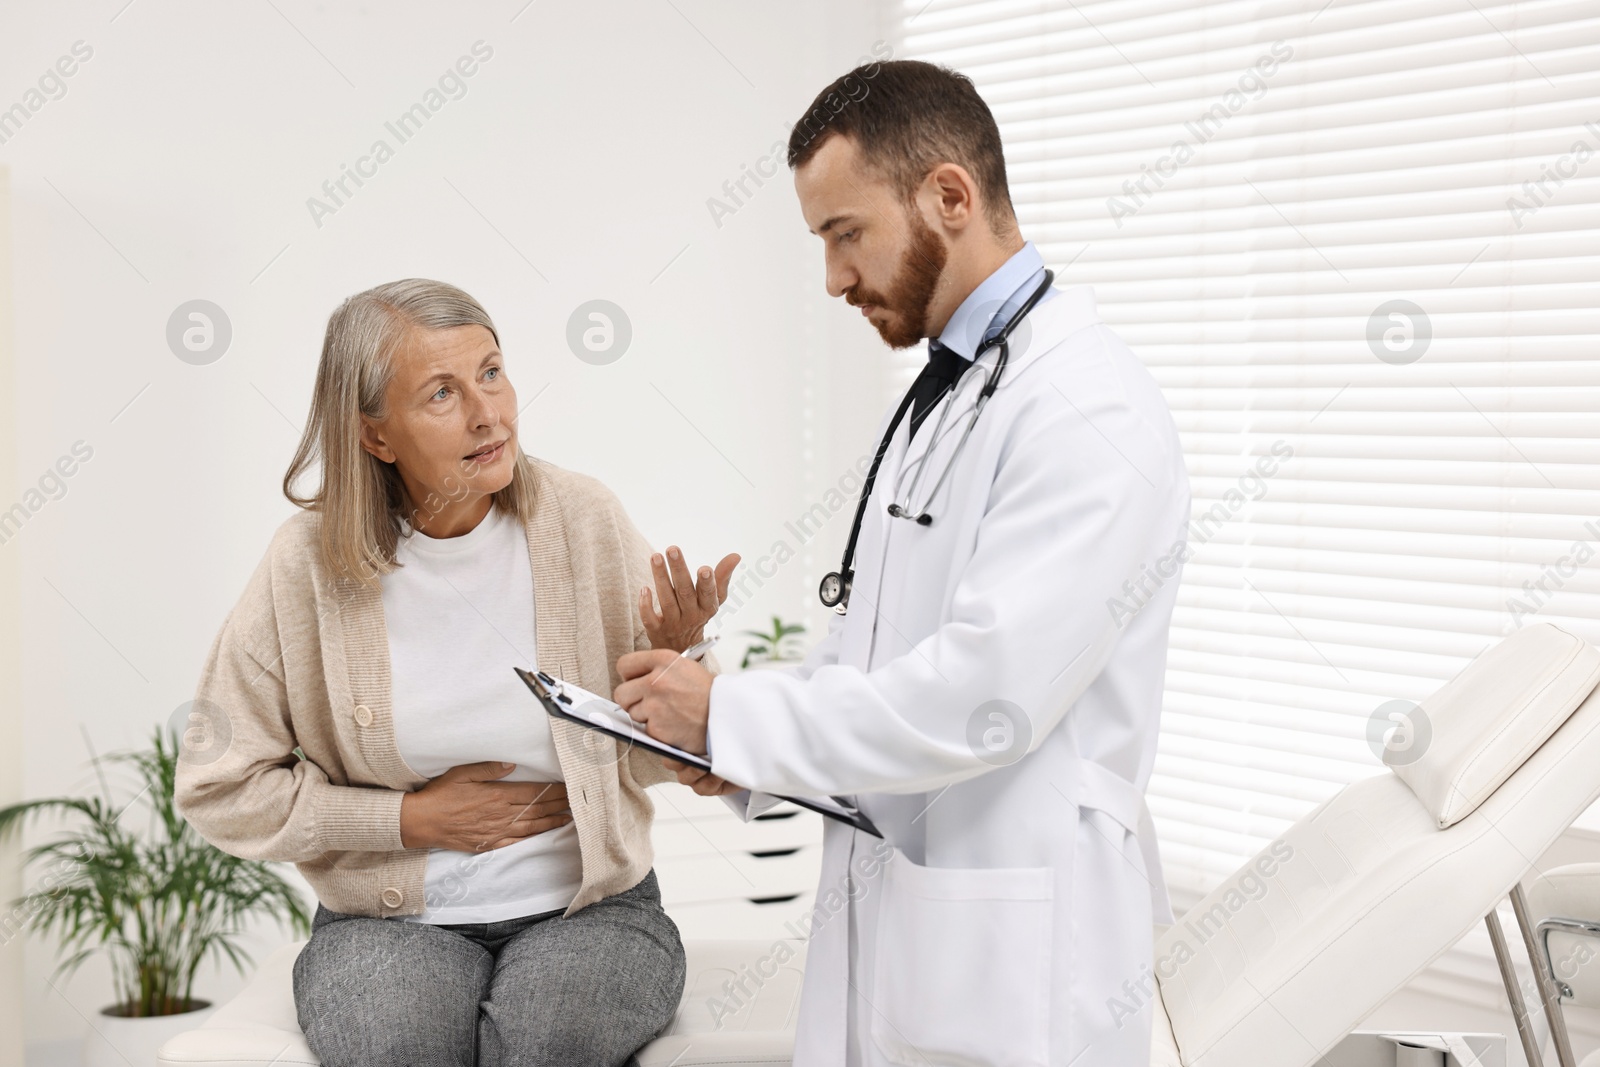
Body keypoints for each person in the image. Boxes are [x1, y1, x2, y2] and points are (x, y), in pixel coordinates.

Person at [614, 61, 1191, 1065]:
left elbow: (984, 697)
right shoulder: (954, 391)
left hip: (1015, 959)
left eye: (844, 234)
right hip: (922, 926)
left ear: (949, 197)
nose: (833, 277)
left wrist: (733, 716)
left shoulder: (1087, 409)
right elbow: (879, 672)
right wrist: (726, 747)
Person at [175, 278, 738, 1067]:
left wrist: (676, 665)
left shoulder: (582, 521)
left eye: (493, 372)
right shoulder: (304, 566)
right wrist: (405, 822)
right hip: (384, 923)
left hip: (590, 912)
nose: (488, 414)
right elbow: (216, 785)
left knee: (552, 1043)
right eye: (442, 392)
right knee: (396, 1048)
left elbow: (653, 761)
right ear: (376, 435)